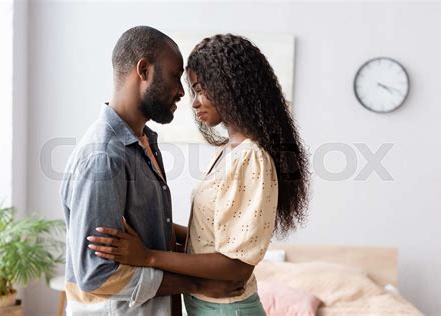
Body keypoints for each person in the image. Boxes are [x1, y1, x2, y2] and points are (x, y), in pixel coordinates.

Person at [87, 34, 310, 315]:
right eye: (193, 90)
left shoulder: (251, 157)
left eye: (201, 89)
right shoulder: (231, 151)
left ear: (231, 88)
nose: (193, 101)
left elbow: (235, 266)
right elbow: (207, 236)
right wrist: (150, 229)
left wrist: (150, 256)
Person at [60, 27, 245, 316]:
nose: (183, 91)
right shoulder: (103, 157)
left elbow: (151, 231)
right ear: (143, 70)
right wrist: (196, 284)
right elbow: (96, 275)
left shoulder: (144, 142)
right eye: (175, 76)